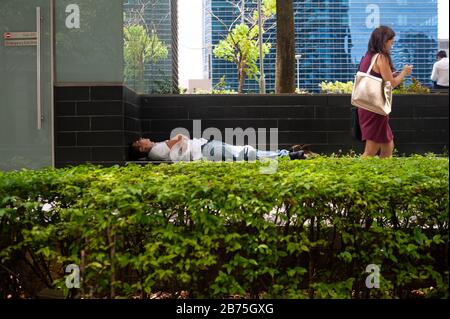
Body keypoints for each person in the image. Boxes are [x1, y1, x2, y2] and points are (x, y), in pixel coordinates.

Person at [357, 26, 413, 158]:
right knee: (370, 150)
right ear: (383, 41)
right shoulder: (381, 58)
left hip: (367, 105)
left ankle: (384, 176)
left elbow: (379, 77)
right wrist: (404, 73)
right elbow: (391, 84)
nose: (391, 46)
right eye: (391, 42)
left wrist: (393, 74)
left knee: (388, 145)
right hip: (375, 108)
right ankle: (351, 176)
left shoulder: (368, 56)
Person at [129, 134, 315, 162]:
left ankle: (288, 154)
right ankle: (290, 155)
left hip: (206, 147)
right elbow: (180, 137)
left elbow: (181, 140)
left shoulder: (158, 147)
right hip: (205, 151)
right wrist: (181, 139)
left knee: (247, 153)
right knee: (247, 154)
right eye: (140, 141)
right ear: (141, 149)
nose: (143, 139)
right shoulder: (155, 151)